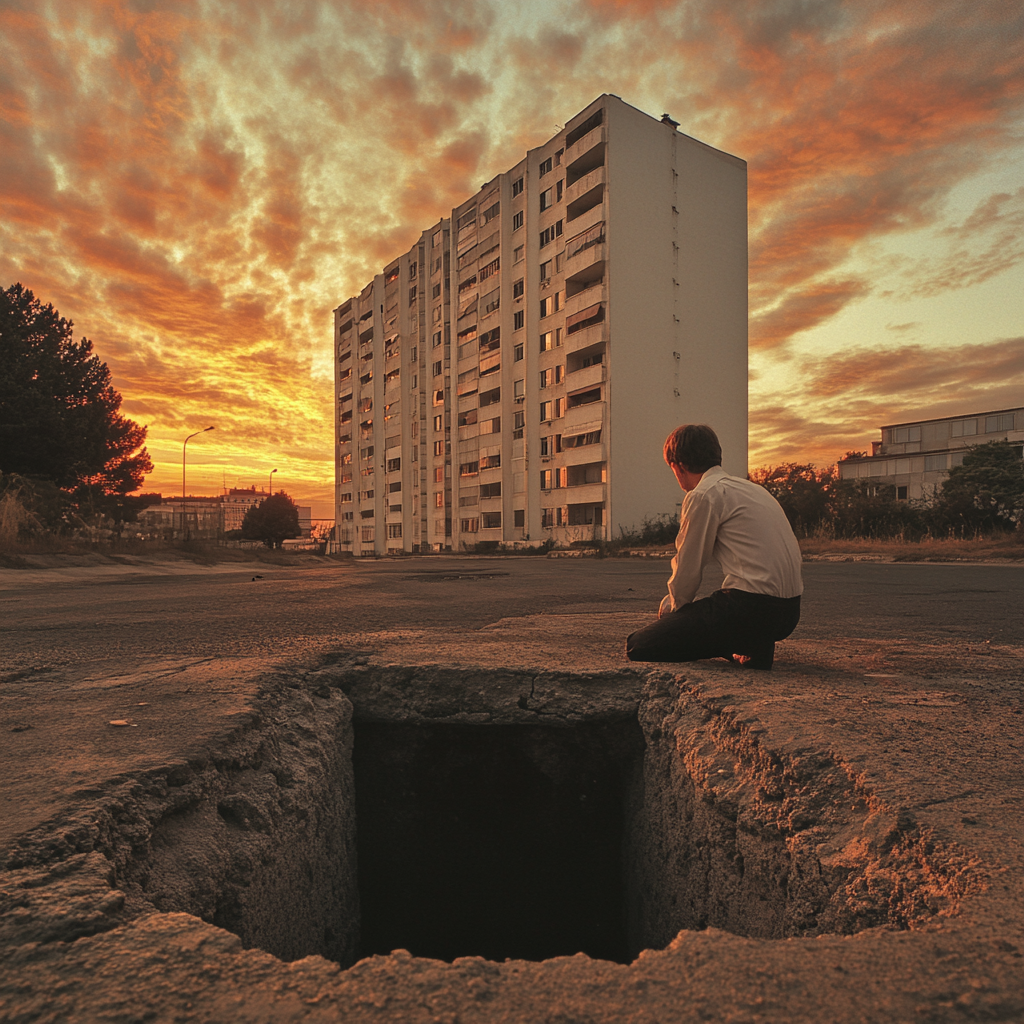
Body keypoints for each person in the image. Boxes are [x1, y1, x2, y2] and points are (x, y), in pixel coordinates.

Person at [625, 424, 803, 669]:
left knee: (639, 644)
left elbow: (689, 566)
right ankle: (752, 643)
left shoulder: (704, 494)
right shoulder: (753, 490)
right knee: (715, 613)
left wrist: (674, 611)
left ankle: (742, 645)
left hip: (750, 609)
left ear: (678, 466)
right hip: (789, 613)